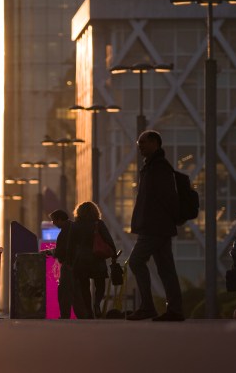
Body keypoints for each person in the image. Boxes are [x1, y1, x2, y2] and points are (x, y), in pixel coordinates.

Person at [127, 130, 184, 321]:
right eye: (139, 144)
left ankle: (147, 307)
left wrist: (170, 218)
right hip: (159, 226)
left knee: (136, 261)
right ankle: (175, 310)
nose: (140, 147)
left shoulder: (158, 167)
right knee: (166, 269)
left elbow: (167, 197)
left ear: (154, 143)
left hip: (154, 226)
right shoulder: (153, 166)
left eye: (143, 143)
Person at [66, 202, 117, 319]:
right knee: (100, 284)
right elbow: (108, 239)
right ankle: (97, 303)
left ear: (79, 212)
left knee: (84, 287)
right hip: (97, 258)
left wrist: (69, 261)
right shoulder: (98, 224)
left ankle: (89, 311)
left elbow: (70, 245)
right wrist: (113, 254)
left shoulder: (75, 225)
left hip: (81, 260)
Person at [46, 209, 74, 319]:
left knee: (64, 291)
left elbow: (63, 250)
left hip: (68, 265)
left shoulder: (67, 230)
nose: (53, 223)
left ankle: (65, 315)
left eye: (54, 221)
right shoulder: (70, 227)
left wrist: (52, 252)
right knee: (71, 291)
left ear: (60, 219)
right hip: (71, 264)